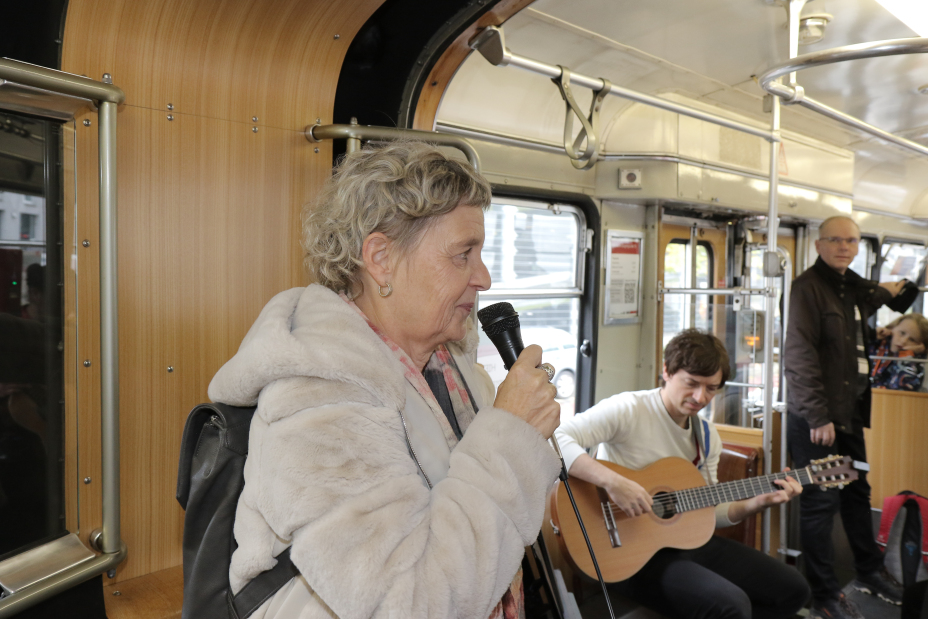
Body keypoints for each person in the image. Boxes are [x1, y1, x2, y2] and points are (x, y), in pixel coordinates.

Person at [208, 141, 563, 619]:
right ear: (381, 259)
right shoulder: (316, 398)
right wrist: (512, 434)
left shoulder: (454, 372)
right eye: (463, 254)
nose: (484, 277)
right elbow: (408, 602)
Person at [554, 329, 811, 619]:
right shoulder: (629, 409)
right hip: (624, 551)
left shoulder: (706, 435)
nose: (701, 397)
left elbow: (708, 510)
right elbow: (556, 438)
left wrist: (758, 503)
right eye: (691, 383)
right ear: (667, 371)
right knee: (732, 605)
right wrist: (613, 482)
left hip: (682, 543)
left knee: (793, 590)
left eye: (711, 388)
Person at [785, 215, 906, 619]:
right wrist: (818, 417)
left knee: (857, 493)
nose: (844, 247)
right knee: (820, 504)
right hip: (818, 419)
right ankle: (823, 595)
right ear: (818, 245)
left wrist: (904, 283)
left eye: (851, 241)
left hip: (850, 415)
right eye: (835, 240)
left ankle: (869, 570)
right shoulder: (808, 289)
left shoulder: (850, 286)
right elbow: (799, 357)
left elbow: (894, 299)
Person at [869, 313, 928, 391]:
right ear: (892, 328)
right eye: (902, 333)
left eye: (912, 340)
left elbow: (899, 388)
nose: (903, 341)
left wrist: (906, 355)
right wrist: (871, 335)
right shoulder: (875, 344)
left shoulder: (918, 363)